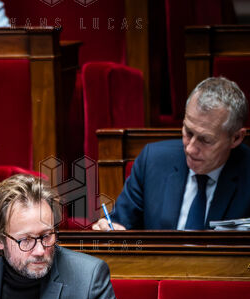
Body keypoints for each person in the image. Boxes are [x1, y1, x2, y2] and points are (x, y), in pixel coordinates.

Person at [93, 77, 250, 231]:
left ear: (236, 138)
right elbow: (119, 224)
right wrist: (110, 230)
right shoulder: (152, 161)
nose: (190, 149)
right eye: (188, 132)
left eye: (206, 140)